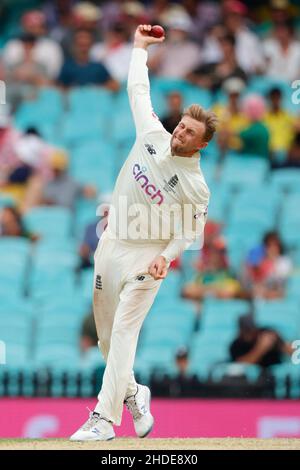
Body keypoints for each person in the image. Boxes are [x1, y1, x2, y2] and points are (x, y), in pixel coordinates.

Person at [70, 24, 217, 441]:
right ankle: (134, 393)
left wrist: (165, 255)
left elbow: (191, 231)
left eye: (190, 133)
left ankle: (103, 418)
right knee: (105, 340)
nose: (180, 133)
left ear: (201, 145)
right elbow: (138, 90)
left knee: (123, 333)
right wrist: (138, 49)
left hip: (146, 260)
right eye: (182, 126)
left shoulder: (196, 186)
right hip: (112, 243)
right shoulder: (153, 134)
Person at [230, 314, 294, 367]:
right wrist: (261, 348)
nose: (249, 334)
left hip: (274, 371)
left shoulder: (266, 333)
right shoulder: (236, 345)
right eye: (246, 331)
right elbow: (243, 364)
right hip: (253, 378)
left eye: (251, 329)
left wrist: (279, 344)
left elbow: (288, 350)